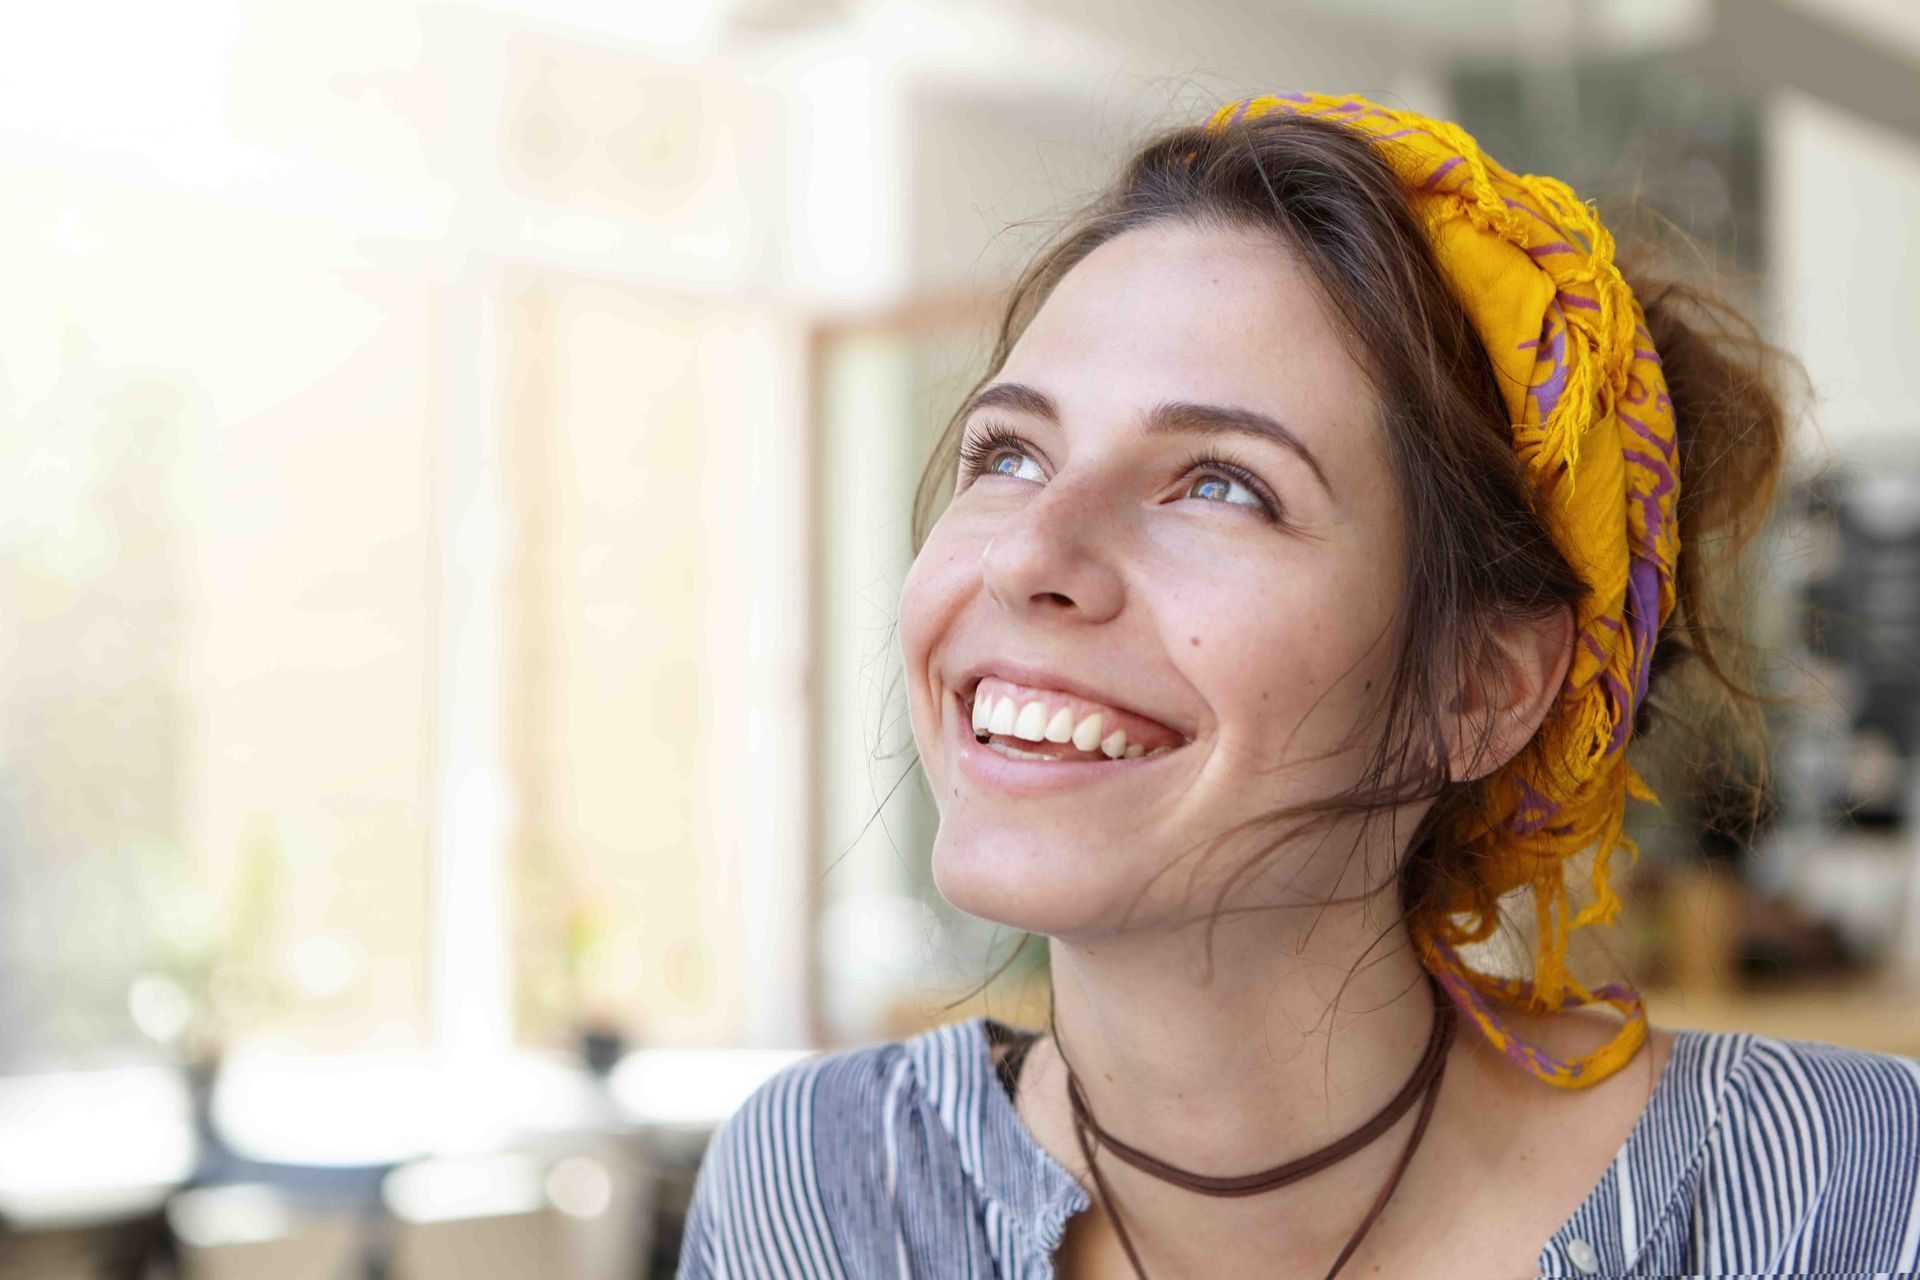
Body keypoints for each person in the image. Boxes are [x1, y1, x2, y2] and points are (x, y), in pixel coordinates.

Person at [674, 92, 1920, 1279]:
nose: (1028, 552)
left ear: (1480, 685)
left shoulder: (1840, 1198)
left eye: (1220, 481)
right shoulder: (822, 1191)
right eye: (1008, 452)